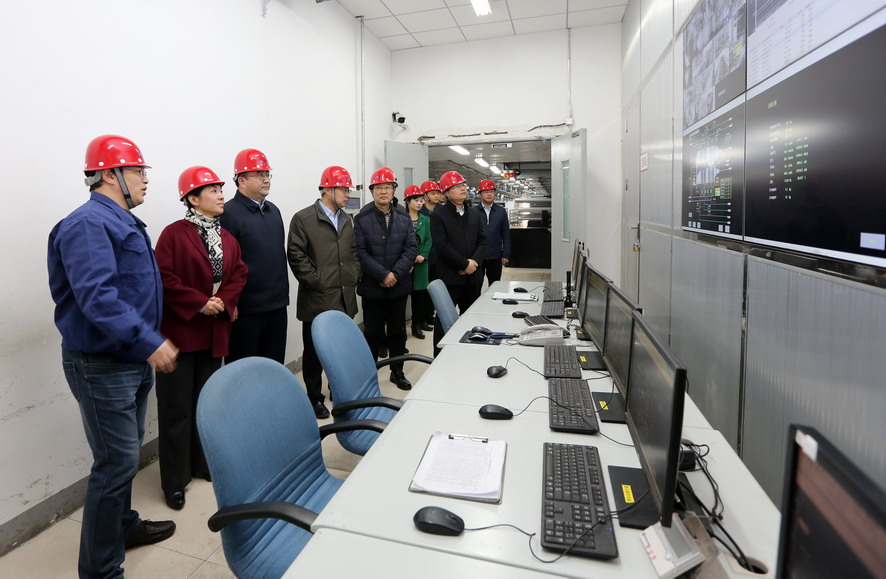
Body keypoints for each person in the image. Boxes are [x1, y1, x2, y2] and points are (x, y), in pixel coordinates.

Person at [48, 135, 178, 578]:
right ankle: (100, 570)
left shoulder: (121, 221)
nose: (145, 180)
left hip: (130, 359)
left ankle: (123, 526)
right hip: (103, 365)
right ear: (109, 174)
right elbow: (98, 297)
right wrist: (150, 341)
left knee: (123, 458)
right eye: (138, 171)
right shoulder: (88, 224)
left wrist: (146, 343)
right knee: (114, 464)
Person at [153, 167, 247, 510]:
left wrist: (224, 302)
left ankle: (200, 463)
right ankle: (174, 480)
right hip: (181, 332)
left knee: (204, 405)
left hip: (214, 331)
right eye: (213, 191)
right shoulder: (173, 235)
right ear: (193, 199)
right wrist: (200, 303)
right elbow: (163, 277)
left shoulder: (227, 237)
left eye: (221, 189)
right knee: (176, 409)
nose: (221, 196)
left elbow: (239, 273)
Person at [287, 166, 360, 418]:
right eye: (343, 189)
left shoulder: (346, 219)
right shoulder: (304, 218)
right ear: (328, 189)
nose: (348, 194)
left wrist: (353, 274)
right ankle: (314, 398)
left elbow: (352, 252)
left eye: (348, 189)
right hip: (317, 298)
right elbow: (296, 255)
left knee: (339, 350)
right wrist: (316, 281)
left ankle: (337, 390)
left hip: (344, 296)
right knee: (314, 352)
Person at [218, 148, 289, 364]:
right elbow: (226, 264)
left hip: (277, 305)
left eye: (267, 174)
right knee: (245, 369)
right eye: (259, 175)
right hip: (246, 311)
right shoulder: (227, 213)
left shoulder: (274, 211)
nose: (266, 180)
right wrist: (231, 302)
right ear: (241, 180)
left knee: (274, 366)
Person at [354, 167, 418, 389]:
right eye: (379, 187)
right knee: (372, 332)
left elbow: (411, 248)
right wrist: (382, 274)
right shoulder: (362, 219)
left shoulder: (404, 217)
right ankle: (370, 375)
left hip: (398, 286)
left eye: (387, 187)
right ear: (372, 191)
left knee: (398, 331)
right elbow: (360, 252)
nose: (383, 191)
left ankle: (397, 371)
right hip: (373, 286)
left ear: (394, 190)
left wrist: (394, 274)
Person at [429, 171, 486, 354]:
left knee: (471, 319)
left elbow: (483, 240)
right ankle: (439, 358)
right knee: (443, 320)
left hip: (473, 277)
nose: (462, 189)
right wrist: (463, 264)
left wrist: (473, 262)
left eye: (463, 185)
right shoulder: (439, 216)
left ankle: (468, 354)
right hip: (450, 278)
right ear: (446, 192)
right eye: (456, 186)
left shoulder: (474, 214)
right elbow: (441, 245)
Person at [404, 185, 432, 339]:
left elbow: (428, 240)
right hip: (404, 264)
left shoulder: (425, 220)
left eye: (421, 200)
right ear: (408, 201)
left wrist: (422, 255)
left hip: (421, 264)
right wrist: (410, 256)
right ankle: (400, 329)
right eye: (416, 200)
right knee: (402, 297)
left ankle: (417, 325)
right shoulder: (401, 218)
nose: (419, 203)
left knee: (419, 297)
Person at [418, 179, 444, 331]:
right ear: (425, 196)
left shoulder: (441, 211)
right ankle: (421, 319)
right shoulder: (419, 211)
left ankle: (430, 316)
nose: (436, 196)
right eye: (433, 193)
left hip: (439, 257)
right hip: (424, 256)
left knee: (434, 289)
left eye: (437, 193)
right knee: (423, 290)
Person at [475, 179, 511, 285]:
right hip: (478, 256)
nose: (489, 194)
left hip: (496, 255)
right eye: (486, 192)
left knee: (495, 285)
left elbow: (506, 234)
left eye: (491, 191)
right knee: (476, 285)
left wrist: (506, 254)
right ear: (480, 194)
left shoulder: (501, 211)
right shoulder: (473, 211)